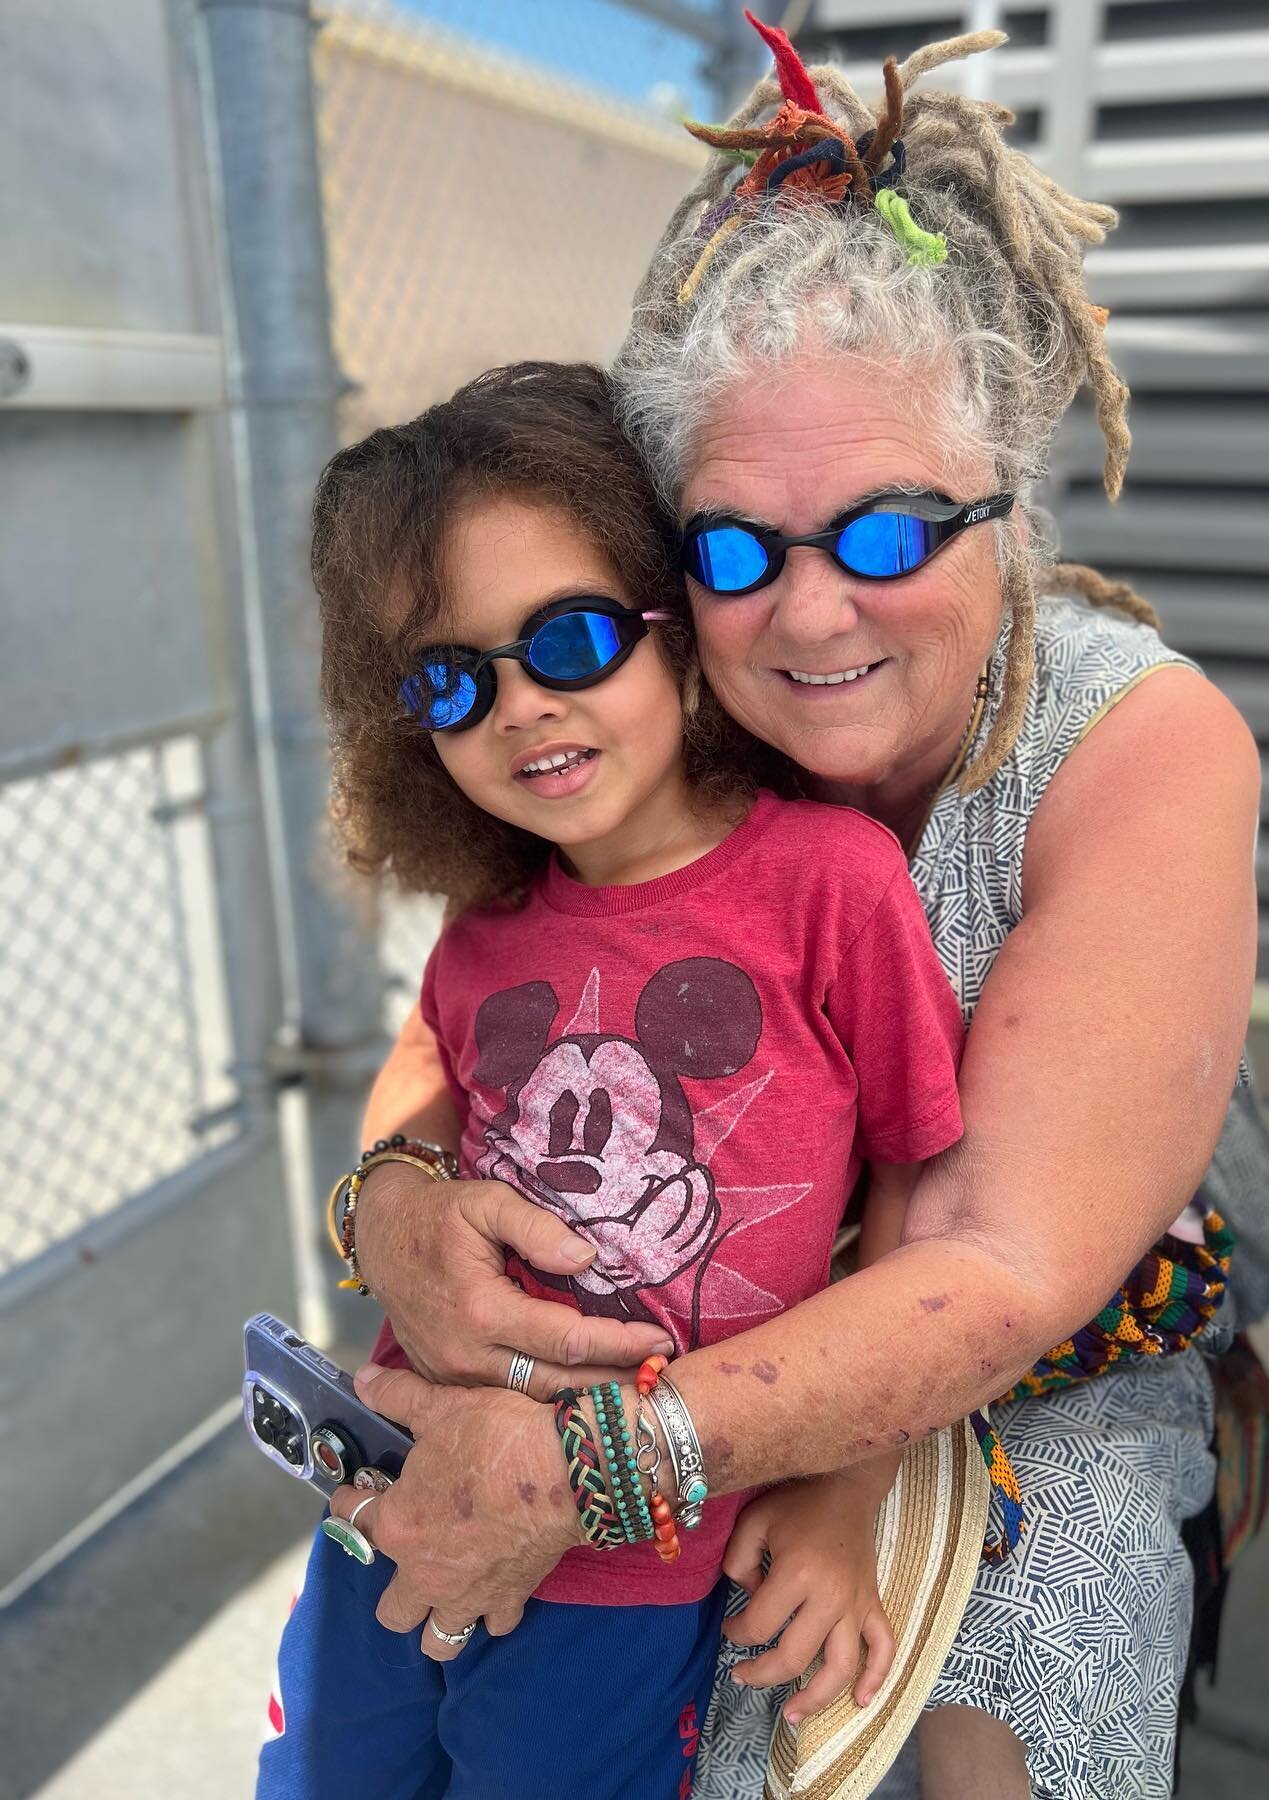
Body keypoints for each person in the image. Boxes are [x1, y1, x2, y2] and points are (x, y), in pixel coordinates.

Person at [324, 19, 1269, 1800]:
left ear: (1009, 498)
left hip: (1044, 1368)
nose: (816, 614)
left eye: (892, 531)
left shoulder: (1135, 744)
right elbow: (473, 1008)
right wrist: (388, 1205)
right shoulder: (657, 727)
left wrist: (587, 1471)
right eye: (740, 546)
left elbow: (994, 1271)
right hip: (683, 1325)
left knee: (1021, 1685)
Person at [258, 359, 976, 1800]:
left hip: (635, 1573)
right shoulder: (483, 934)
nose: (521, 707)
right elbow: (425, 1146)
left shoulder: (830, 886)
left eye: (573, 639)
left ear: (670, 628)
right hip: (393, 1497)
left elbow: (917, 1182)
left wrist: (841, 1496)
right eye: (454, 680)